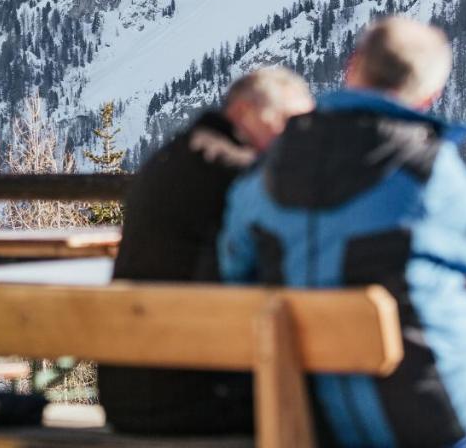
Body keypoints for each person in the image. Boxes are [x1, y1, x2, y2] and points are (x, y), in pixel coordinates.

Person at [220, 17, 466, 448]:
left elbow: (233, 271)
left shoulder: (263, 174)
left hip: (318, 419)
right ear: (430, 95)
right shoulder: (420, 171)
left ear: (352, 67)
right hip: (441, 416)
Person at [98, 67, 314, 436]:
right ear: (244, 111)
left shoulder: (178, 155)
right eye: (287, 122)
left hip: (128, 393)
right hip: (196, 396)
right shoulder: (239, 176)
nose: (296, 139)